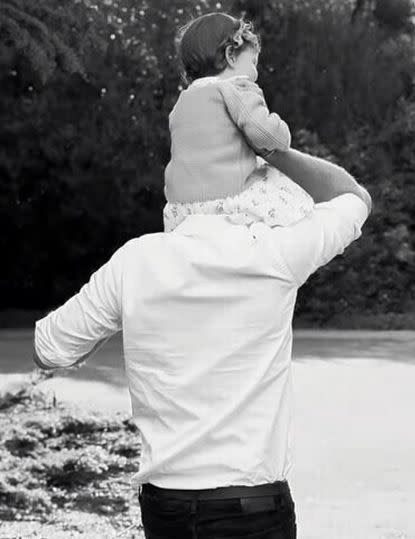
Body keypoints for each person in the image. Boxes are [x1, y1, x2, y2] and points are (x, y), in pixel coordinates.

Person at [33, 148, 372, 539]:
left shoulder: (136, 261)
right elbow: (354, 197)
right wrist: (271, 146)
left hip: (167, 511)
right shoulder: (273, 252)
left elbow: (49, 349)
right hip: (252, 509)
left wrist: (118, 316)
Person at [163, 12, 314, 232]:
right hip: (224, 201)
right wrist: (282, 130)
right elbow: (266, 134)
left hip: (179, 210)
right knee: (281, 180)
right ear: (231, 55)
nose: (255, 72)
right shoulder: (234, 87)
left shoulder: (182, 103)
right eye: (253, 62)